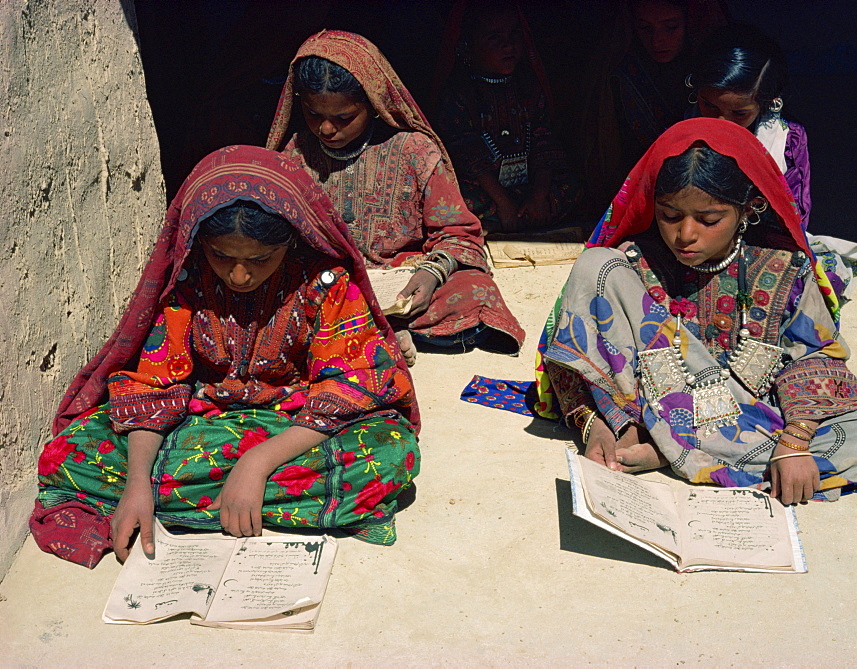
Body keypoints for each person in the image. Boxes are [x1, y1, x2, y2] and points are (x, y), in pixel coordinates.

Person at [30, 146, 420, 568]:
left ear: (290, 240)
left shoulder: (324, 281)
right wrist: (137, 484)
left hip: (299, 426)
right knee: (68, 453)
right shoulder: (187, 278)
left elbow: (349, 386)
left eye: (259, 259)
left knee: (392, 452)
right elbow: (154, 387)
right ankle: (235, 502)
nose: (239, 275)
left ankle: (197, 501)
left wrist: (257, 463)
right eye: (222, 256)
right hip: (199, 426)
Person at [537, 118, 857, 505]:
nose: (685, 235)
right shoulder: (632, 265)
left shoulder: (783, 269)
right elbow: (584, 345)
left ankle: (666, 447)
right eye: (669, 215)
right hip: (644, 405)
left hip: (747, 413)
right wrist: (599, 425)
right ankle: (655, 436)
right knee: (594, 266)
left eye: (708, 220)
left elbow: (814, 356)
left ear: (749, 208)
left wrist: (795, 440)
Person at [266, 30, 525, 364]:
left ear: (373, 105)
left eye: (343, 118)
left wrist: (432, 273)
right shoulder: (296, 154)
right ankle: (383, 334)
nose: (326, 129)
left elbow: (458, 232)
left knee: (475, 291)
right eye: (314, 115)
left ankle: (369, 331)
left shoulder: (414, 150)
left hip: (401, 284)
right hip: (328, 283)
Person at [435, 0, 582, 233]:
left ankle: (528, 212)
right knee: (456, 200)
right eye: (494, 37)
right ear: (467, 46)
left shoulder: (529, 87)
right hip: (486, 191)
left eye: (514, 34)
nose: (509, 45)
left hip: (528, 187)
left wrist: (539, 195)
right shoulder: (460, 93)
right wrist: (503, 203)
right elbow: (466, 153)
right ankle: (518, 216)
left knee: (571, 186)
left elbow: (544, 140)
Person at [578, 0, 728, 217]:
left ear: (690, 23)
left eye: (671, 27)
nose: (657, 41)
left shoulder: (714, 74)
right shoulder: (622, 77)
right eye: (645, 28)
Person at [686, 23, 811, 231]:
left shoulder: (786, 143)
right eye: (709, 105)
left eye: (739, 113)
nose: (720, 123)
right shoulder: (678, 131)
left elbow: (794, 220)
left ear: (767, 103)